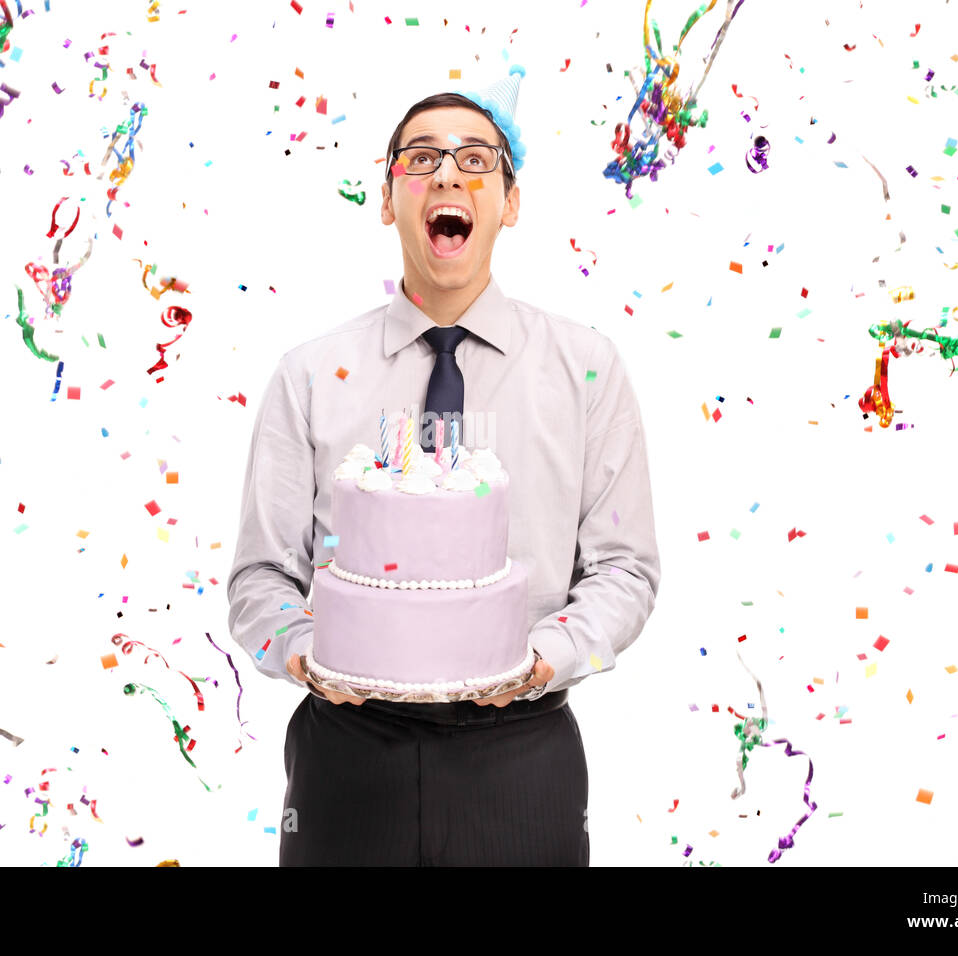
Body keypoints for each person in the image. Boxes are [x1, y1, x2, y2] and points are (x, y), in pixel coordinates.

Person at [227, 68, 660, 866]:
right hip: (346, 755)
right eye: (419, 158)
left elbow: (626, 572)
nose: (448, 174)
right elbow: (258, 579)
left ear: (511, 201)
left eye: (474, 159)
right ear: (387, 199)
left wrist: (541, 660)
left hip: (523, 758)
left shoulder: (586, 368)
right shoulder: (311, 373)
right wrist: (304, 653)